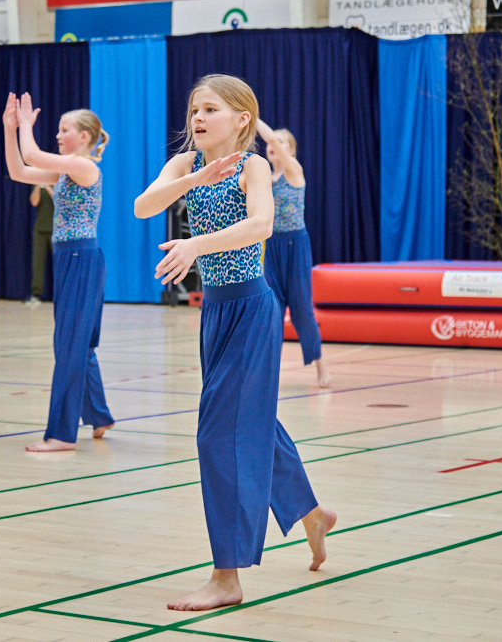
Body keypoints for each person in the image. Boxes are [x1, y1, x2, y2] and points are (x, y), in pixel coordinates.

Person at [134, 75, 336, 611]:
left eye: (210, 109)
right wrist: (194, 177)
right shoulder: (185, 165)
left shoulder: (254, 166)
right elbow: (142, 207)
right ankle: (313, 514)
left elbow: (262, 225)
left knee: (217, 436)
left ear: (241, 118)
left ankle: (227, 575)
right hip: (216, 313)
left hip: (251, 310)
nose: (198, 118)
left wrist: (195, 244)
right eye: (194, 109)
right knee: (253, 421)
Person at [3, 92, 114, 451]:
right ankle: (99, 414)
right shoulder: (67, 171)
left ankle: (61, 435)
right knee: (79, 345)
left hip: (81, 257)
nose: (58, 135)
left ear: (83, 136)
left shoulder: (84, 167)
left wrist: (25, 125)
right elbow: (19, 170)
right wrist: (9, 128)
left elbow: (32, 155)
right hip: (70, 258)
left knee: (69, 345)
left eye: (64, 130)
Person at [256, 120, 331, 388]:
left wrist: (252, 117)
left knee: (301, 310)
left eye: (281, 142)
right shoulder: (264, 178)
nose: (273, 145)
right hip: (272, 247)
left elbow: (272, 140)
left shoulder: (294, 171)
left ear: (291, 151)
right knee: (272, 311)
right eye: (271, 142)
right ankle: (268, 372)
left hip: (295, 246)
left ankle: (320, 364)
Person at [27, 184, 55, 305]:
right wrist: (38, 186)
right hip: (40, 229)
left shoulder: (58, 182)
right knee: (37, 262)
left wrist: (47, 186)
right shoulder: (37, 183)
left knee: (59, 263)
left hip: (56, 229)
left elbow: (58, 200)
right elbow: (34, 202)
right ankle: (36, 294)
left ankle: (62, 293)